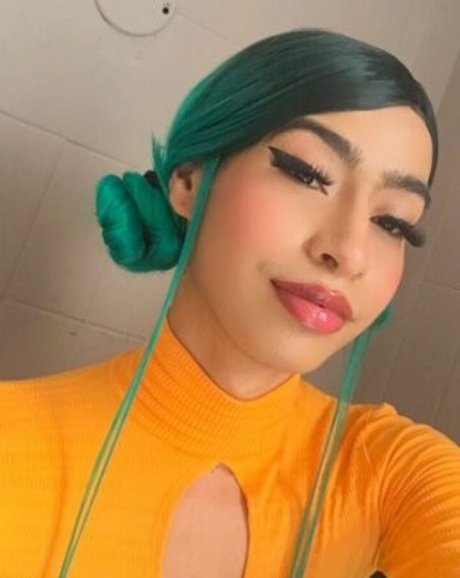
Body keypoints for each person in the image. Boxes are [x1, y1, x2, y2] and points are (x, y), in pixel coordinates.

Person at [1, 28, 459, 578]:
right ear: (189, 183)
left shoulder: (391, 471)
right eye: (308, 175)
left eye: (392, 222)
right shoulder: (12, 445)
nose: (350, 252)